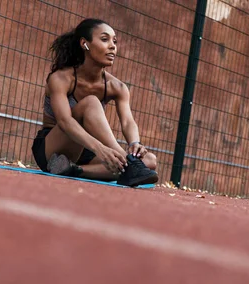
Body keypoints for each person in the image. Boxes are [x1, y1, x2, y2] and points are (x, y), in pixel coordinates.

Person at [31, 18, 158, 186]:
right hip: (53, 149)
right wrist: (101, 149)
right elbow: (65, 122)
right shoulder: (61, 78)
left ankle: (75, 170)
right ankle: (129, 165)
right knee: (90, 102)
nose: (113, 46)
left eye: (115, 41)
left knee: (149, 160)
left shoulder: (117, 87)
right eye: (105, 39)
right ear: (85, 44)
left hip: (86, 152)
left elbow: (128, 122)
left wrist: (135, 143)